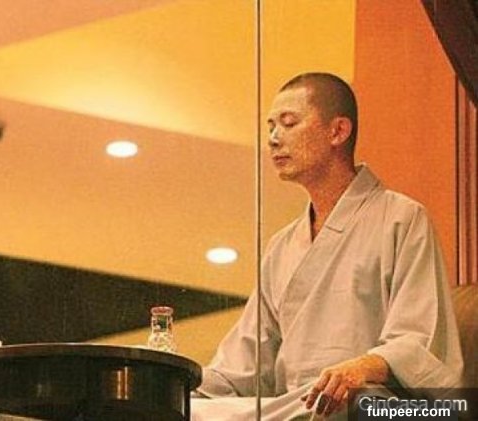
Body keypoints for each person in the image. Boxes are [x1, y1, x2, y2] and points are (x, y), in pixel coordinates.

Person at [192, 72, 464, 420]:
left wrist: (364, 366)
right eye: (271, 127)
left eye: (289, 123)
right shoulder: (281, 247)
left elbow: (420, 340)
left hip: (366, 402)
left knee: (352, 402)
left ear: (337, 131)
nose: (273, 139)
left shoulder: (402, 219)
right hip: (294, 406)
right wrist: (172, 381)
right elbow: (240, 367)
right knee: (189, 411)